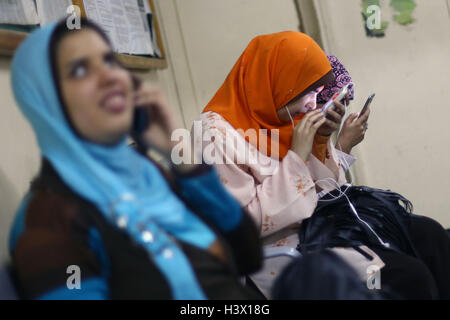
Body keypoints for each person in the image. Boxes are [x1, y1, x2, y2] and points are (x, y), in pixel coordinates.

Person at [8, 19, 263, 300]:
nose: (111, 77)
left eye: (109, 61)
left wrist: (183, 157)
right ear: (46, 103)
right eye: (80, 70)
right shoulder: (48, 219)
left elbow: (248, 255)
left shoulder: (148, 173)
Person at [196, 32, 450, 299]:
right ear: (275, 81)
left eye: (317, 92)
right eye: (306, 91)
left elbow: (330, 192)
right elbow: (239, 226)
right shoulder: (215, 133)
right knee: (405, 276)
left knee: (431, 237)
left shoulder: (283, 116)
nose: (311, 103)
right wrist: (296, 156)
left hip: (327, 228)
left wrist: (321, 141)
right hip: (285, 250)